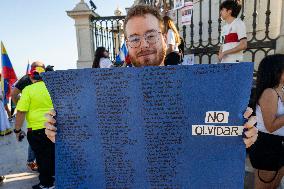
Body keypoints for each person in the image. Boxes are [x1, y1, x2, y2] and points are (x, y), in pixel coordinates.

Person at [45, 4, 257, 148]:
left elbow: (212, 139)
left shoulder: (196, 88)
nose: (144, 44)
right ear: (127, 45)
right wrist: (63, 133)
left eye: (150, 35)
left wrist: (242, 135)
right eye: (135, 38)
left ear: (165, 38)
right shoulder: (108, 93)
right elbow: (92, 137)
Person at [15, 62, 55, 189]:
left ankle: (46, 184)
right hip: (52, 127)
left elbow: (21, 112)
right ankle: (52, 178)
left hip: (36, 130)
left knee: (41, 158)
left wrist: (17, 130)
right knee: (51, 154)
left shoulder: (28, 90)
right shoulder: (52, 87)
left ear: (32, 77)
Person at [249, 54, 284, 189]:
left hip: (278, 145)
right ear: (276, 71)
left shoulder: (280, 89)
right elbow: (270, 126)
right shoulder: (269, 93)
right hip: (268, 145)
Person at [11, 62, 41, 171]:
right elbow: (14, 94)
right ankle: (32, 161)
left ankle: (34, 161)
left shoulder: (25, 79)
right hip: (44, 114)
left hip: (32, 114)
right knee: (38, 138)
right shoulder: (44, 77)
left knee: (34, 137)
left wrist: (20, 104)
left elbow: (14, 94)